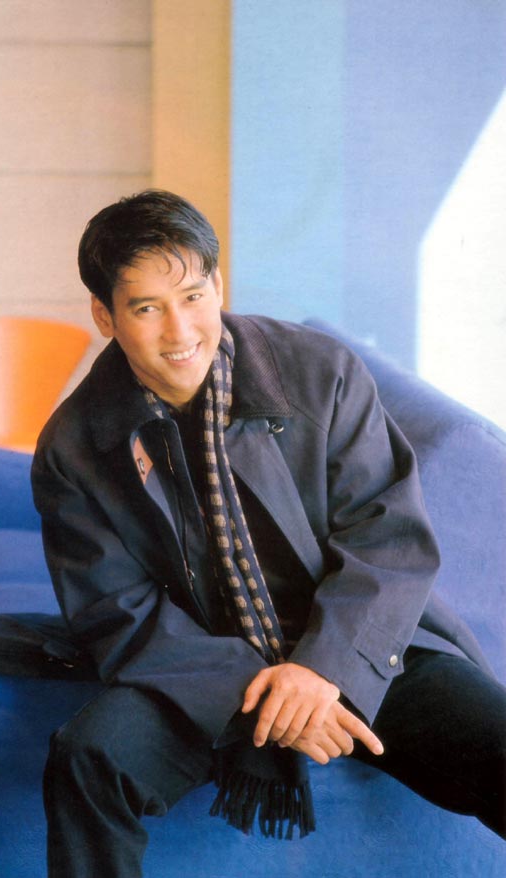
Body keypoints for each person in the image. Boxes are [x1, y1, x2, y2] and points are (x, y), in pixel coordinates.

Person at [31, 189, 506, 877]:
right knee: (87, 760)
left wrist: (321, 671)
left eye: (193, 296)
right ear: (104, 315)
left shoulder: (320, 372)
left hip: (356, 638)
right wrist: (267, 690)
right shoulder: (73, 447)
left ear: (219, 285)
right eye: (146, 308)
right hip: (204, 667)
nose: (180, 331)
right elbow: (118, 613)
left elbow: (387, 536)